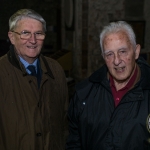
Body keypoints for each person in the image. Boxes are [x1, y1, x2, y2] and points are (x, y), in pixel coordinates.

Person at [66, 21, 150, 150]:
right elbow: (74, 142)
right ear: (103, 57)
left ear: (136, 51)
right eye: (109, 54)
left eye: (122, 51)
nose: (116, 60)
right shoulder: (84, 94)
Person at [0, 9, 68, 150]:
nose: (33, 40)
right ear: (12, 37)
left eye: (39, 33)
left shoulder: (56, 70)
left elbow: (64, 121)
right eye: (25, 33)